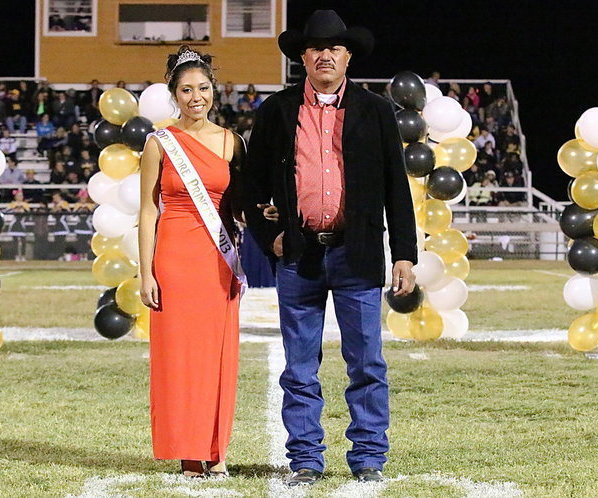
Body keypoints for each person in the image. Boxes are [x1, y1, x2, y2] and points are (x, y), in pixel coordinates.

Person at [242, 10, 417, 486]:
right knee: (300, 366)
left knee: (367, 363)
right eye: (316, 48)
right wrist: (268, 236)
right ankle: (305, 458)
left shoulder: (376, 110)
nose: (325, 55)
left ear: (347, 57)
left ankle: (368, 456)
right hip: (299, 255)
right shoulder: (276, 110)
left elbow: (395, 186)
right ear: (303, 56)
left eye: (334, 48)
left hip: (356, 253)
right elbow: (249, 185)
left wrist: (404, 253)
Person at [137, 45, 251, 479]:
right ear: (174, 94)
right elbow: (148, 211)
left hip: (217, 260)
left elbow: (242, 203)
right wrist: (145, 271)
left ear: (213, 91)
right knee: (180, 357)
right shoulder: (158, 143)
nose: (195, 96)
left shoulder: (231, 142)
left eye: (202, 87)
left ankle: (216, 449)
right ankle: (188, 452)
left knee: (218, 354)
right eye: (186, 89)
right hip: (174, 259)